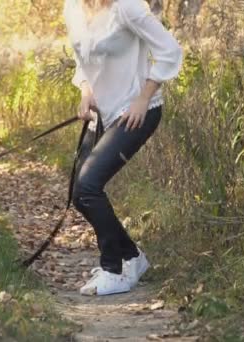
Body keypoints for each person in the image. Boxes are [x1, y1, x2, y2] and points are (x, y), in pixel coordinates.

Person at [64, 0, 183, 295]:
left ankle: (114, 270)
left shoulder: (127, 7)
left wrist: (143, 98)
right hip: (103, 111)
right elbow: (84, 58)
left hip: (136, 112)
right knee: (79, 194)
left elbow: (170, 50)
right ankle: (132, 257)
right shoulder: (73, 8)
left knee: (89, 185)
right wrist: (86, 92)